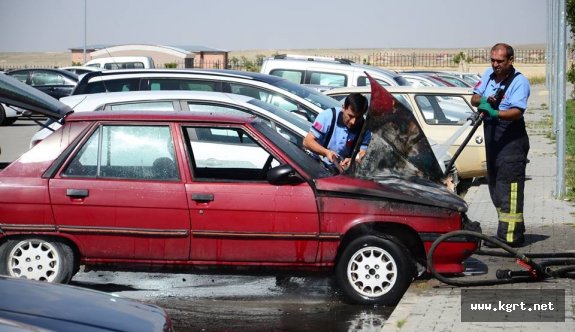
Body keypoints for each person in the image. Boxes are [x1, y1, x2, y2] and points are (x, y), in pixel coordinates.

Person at [471, 43, 530, 247]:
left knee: (510, 189)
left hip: (511, 140)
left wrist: (495, 112)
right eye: (493, 60)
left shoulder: (519, 82)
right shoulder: (488, 75)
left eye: (500, 61)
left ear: (510, 61)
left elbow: (517, 111)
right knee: (496, 187)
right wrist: (484, 100)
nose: (495, 64)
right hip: (493, 139)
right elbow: (474, 98)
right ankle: (505, 232)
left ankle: (511, 237)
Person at [303, 93, 370, 172]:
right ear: (343, 108)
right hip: (316, 166)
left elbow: (363, 153)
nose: (353, 122)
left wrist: (354, 160)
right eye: (350, 116)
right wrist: (326, 152)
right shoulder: (328, 116)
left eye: (358, 117)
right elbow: (307, 142)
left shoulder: (365, 128)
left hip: (340, 173)